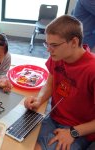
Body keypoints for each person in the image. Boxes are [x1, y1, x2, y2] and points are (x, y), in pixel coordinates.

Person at [24, 15, 95, 150]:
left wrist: (73, 132)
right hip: (54, 118)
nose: (48, 50)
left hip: (79, 130)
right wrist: (39, 100)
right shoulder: (57, 56)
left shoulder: (92, 69)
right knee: (20, 139)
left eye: (54, 45)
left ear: (74, 42)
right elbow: (49, 83)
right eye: (47, 44)